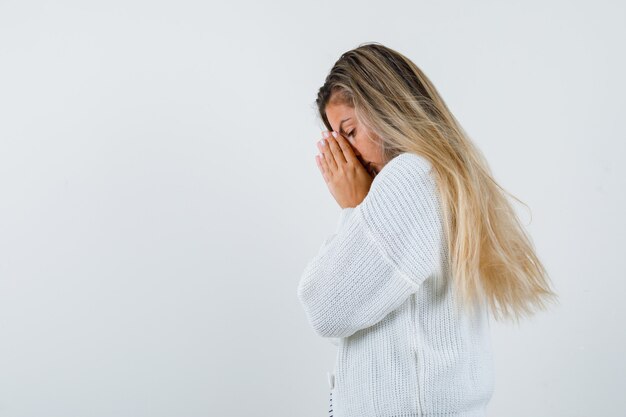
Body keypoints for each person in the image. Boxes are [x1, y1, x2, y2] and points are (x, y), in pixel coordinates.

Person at [296, 43, 559, 417]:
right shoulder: (439, 176)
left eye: (350, 132)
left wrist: (355, 209)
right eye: (336, 139)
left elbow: (325, 307)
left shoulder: (410, 178)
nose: (347, 155)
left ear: (385, 109)